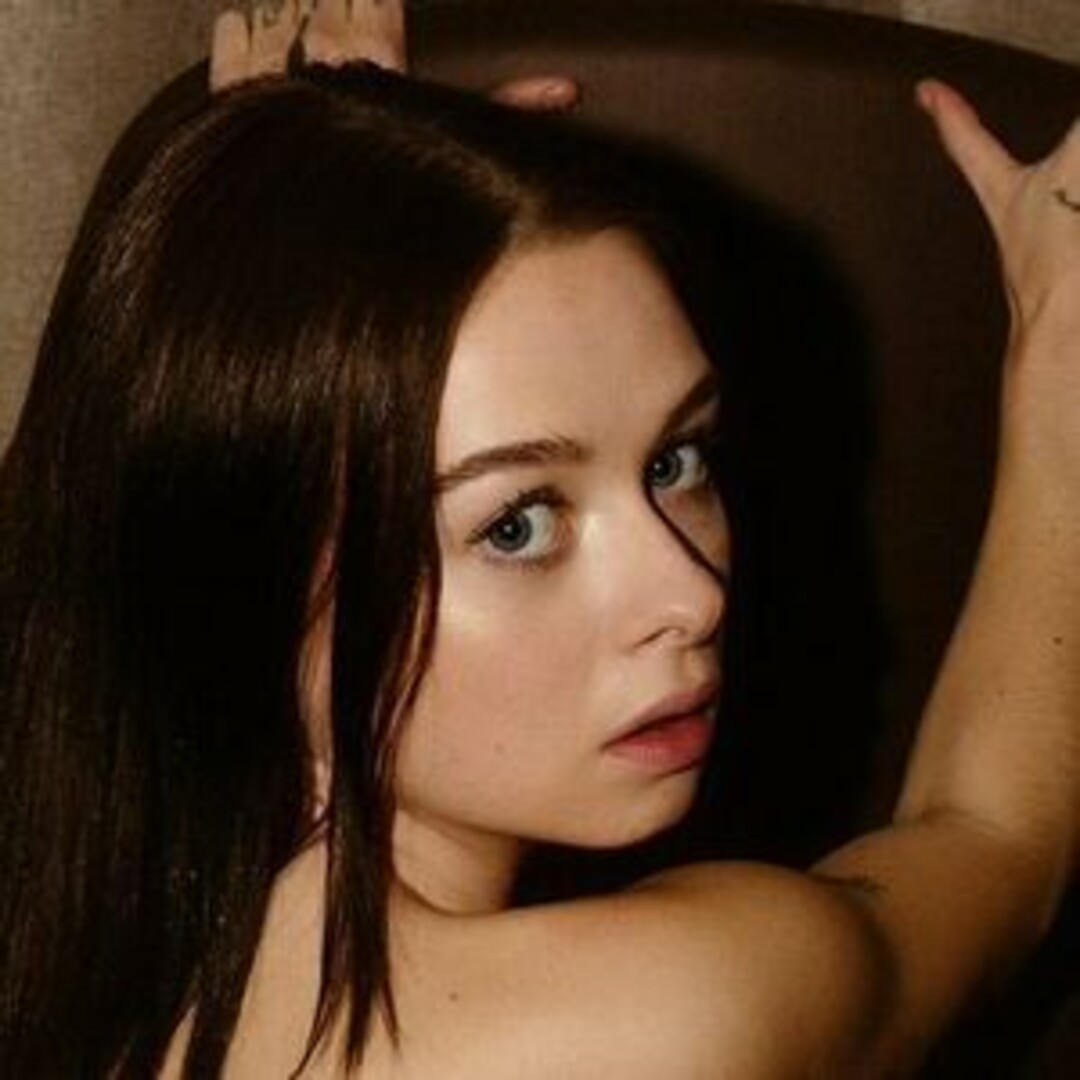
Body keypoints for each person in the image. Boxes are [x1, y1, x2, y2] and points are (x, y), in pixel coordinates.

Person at [0, 1, 1077, 1075]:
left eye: (677, 461)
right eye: (517, 525)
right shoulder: (657, 1024)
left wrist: (327, 243)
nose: (692, 595)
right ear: (242, 574)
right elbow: (995, 845)